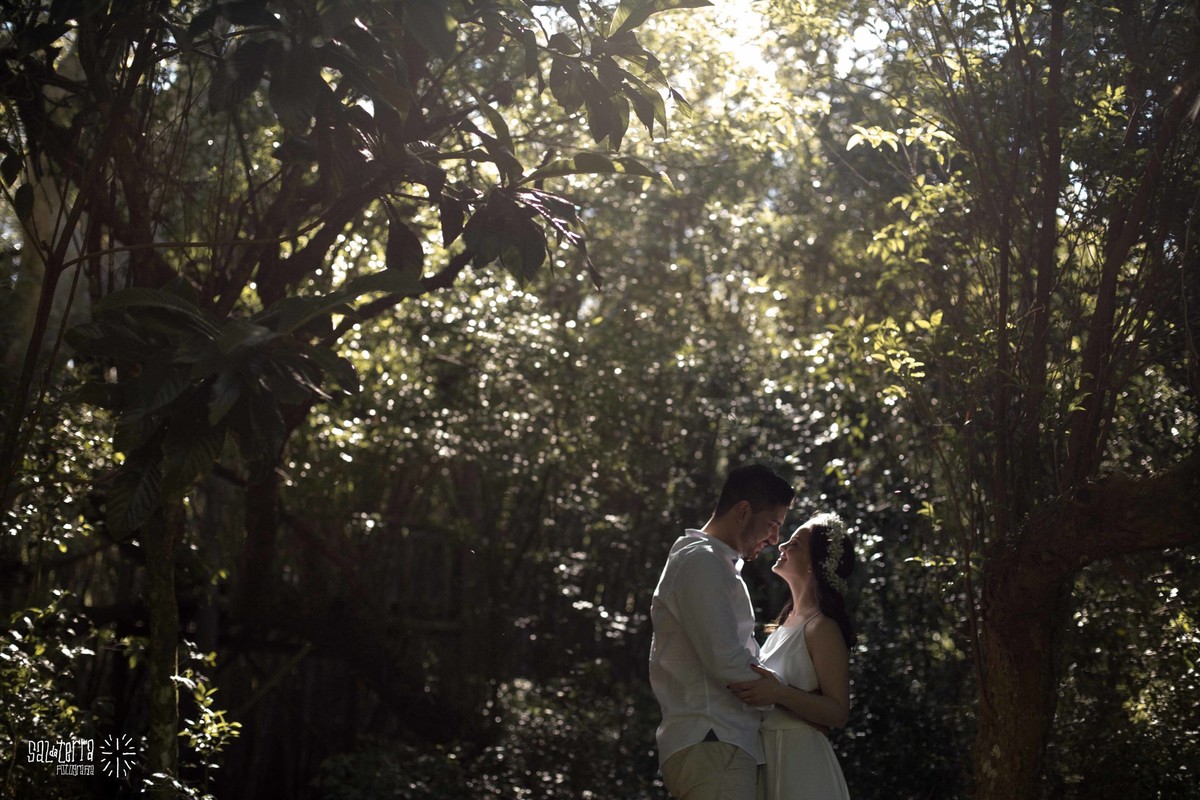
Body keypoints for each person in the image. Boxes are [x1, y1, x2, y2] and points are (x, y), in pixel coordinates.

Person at [649, 464, 796, 800]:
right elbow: (727, 660)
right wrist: (790, 695)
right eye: (773, 525)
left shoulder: (716, 563)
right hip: (713, 741)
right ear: (743, 511)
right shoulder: (700, 561)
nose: (775, 539)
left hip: (722, 744)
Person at [728, 512, 855, 800]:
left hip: (801, 761)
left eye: (794, 543)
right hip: (768, 754)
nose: (782, 545)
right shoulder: (784, 624)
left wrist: (780, 693)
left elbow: (838, 712)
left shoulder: (822, 627)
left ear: (813, 564)